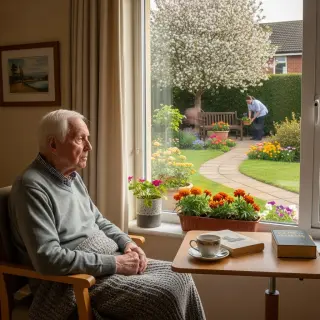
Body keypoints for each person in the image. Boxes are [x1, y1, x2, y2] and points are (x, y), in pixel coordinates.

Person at [8, 110, 205, 320]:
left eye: (88, 138)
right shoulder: (31, 187)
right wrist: (117, 264)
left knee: (181, 276)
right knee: (163, 297)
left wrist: (127, 243)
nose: (89, 147)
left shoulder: (71, 176)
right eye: (80, 139)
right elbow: (48, 259)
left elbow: (99, 221)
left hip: (106, 261)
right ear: (53, 145)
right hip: (74, 282)